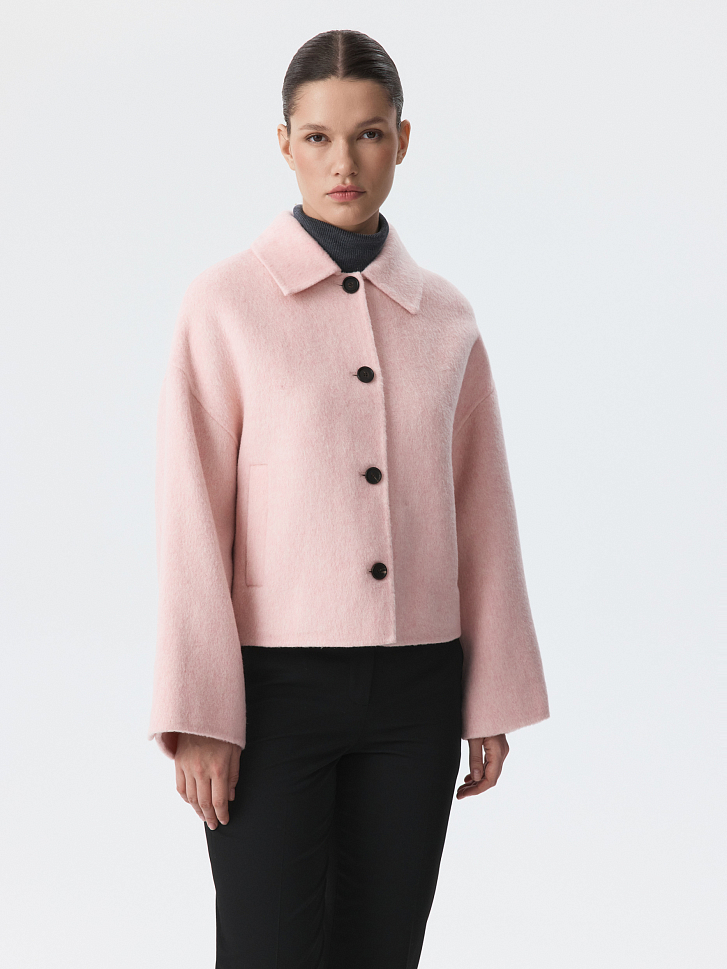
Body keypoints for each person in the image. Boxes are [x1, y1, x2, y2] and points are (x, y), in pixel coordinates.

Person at [148, 28, 550, 969]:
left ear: (401, 141)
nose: (344, 162)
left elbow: (482, 513)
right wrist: (199, 709)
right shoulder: (223, 305)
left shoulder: (445, 316)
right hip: (270, 693)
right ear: (283, 143)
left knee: (383, 951)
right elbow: (189, 521)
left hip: (418, 692)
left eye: (368, 134)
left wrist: (488, 692)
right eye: (319, 137)